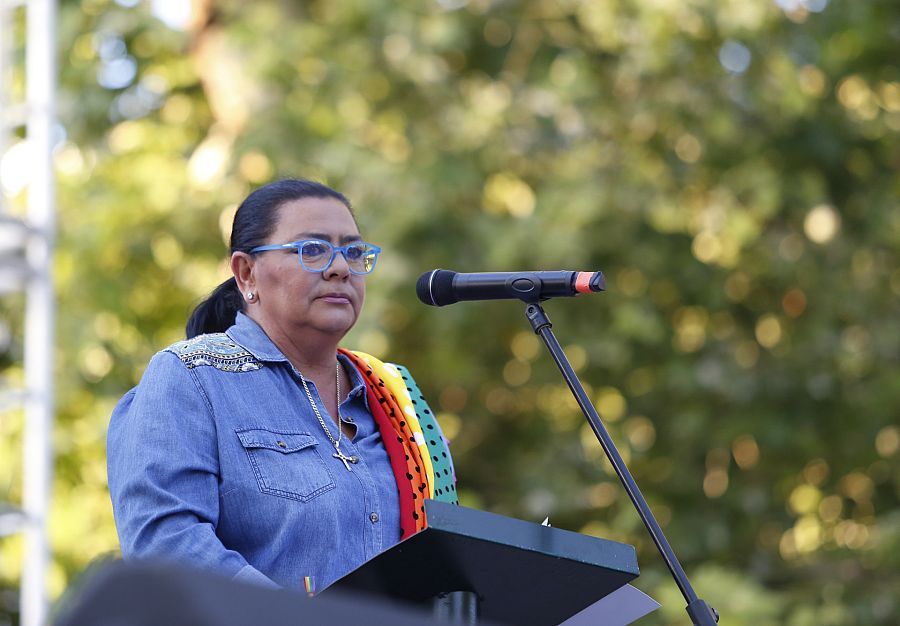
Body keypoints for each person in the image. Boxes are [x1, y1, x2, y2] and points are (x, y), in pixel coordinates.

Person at [107, 179, 457, 592]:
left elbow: (444, 561)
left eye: (353, 251)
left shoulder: (396, 399)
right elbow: (166, 547)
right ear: (246, 272)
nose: (340, 268)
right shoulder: (191, 378)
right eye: (312, 250)